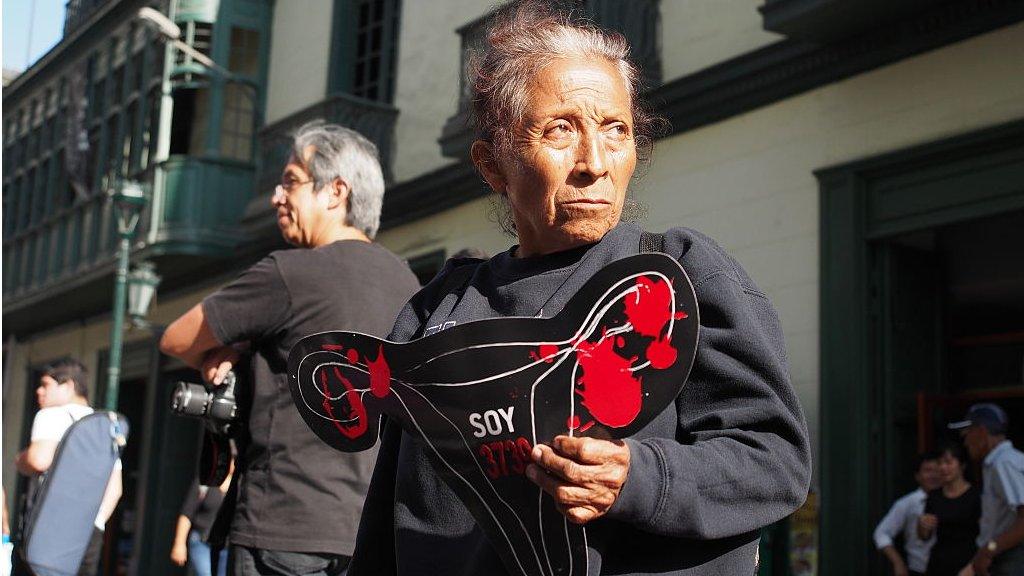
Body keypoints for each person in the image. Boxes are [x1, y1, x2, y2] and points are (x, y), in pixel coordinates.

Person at [346, 2, 812, 575]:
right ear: (492, 164)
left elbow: (773, 463)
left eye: (616, 130)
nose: (595, 163)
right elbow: (389, 513)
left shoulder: (678, 278)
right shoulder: (439, 310)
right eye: (560, 129)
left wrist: (636, 477)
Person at [160, 121, 420, 576]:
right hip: (372, 534)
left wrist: (232, 347)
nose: (277, 197)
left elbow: (176, 339)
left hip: (283, 525)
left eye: (291, 182)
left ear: (336, 193)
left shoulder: (290, 272)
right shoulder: (408, 283)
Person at [13, 358, 122, 576]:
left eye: (46, 385)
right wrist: (97, 522)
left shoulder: (52, 414)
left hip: (48, 529)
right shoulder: (104, 427)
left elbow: (38, 460)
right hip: (89, 533)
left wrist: (20, 459)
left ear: (69, 386)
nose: (39, 391)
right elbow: (116, 488)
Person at [949, 403, 1024, 576]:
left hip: (1009, 557)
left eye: (967, 435)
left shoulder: (1003, 463)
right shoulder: (1006, 461)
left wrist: (988, 550)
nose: (966, 443)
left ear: (981, 432)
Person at [874, 452, 942, 576]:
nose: (934, 476)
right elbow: (881, 533)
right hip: (919, 569)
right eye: (928, 471)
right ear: (918, 476)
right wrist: (898, 562)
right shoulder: (908, 503)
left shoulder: (953, 500)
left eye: (937, 471)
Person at [918, 443, 981, 576]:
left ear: (962, 465)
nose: (943, 467)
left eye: (948, 462)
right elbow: (924, 536)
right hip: (939, 563)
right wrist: (923, 525)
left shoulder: (977, 496)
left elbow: (987, 533)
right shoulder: (934, 496)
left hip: (969, 563)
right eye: (939, 463)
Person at [171, 462, 233, 576]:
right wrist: (179, 543)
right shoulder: (206, 480)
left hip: (227, 547)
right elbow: (186, 514)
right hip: (201, 542)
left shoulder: (242, 486)